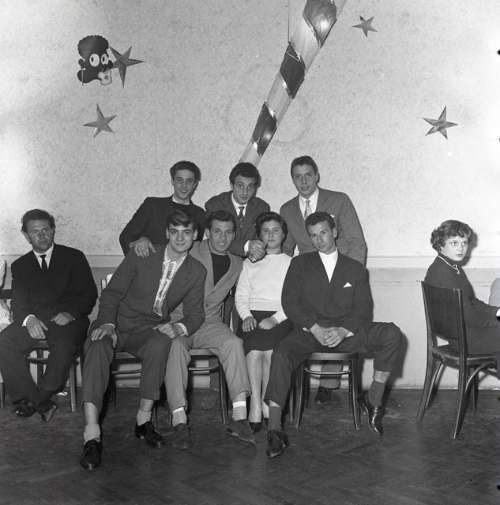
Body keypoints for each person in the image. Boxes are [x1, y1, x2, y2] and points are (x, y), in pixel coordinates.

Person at [264, 212, 403, 458]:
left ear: (335, 232)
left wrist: (342, 330)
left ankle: (373, 400)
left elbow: (363, 309)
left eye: (324, 233)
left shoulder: (355, 268)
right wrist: (315, 328)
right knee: (282, 352)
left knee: (392, 333)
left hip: (346, 334)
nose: (319, 239)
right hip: (310, 333)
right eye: (313, 235)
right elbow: (290, 303)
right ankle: (274, 429)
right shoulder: (299, 264)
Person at [79, 210, 206, 471]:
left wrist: (178, 327)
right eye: (174, 231)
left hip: (147, 329)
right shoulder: (143, 253)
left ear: (195, 235)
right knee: (97, 347)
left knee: (161, 343)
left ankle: (143, 421)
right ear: (166, 232)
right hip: (115, 322)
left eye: (186, 232)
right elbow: (112, 294)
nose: (180, 238)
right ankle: (91, 435)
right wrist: (107, 324)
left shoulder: (196, 270)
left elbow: (195, 314)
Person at [280, 155, 368, 404]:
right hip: (309, 284)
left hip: (340, 278)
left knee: (341, 325)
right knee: (304, 329)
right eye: (298, 176)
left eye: (308, 175)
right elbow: (286, 248)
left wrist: (350, 280)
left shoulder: (339, 200)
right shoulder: (287, 209)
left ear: (317, 175)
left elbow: (357, 242)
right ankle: (293, 390)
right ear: (292, 179)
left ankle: (328, 384)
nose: (303, 181)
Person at [165, 210, 254, 448]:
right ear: (207, 233)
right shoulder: (190, 248)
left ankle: (239, 417)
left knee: (234, 343)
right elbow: (164, 253)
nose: (222, 238)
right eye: (217, 231)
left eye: (228, 233)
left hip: (210, 323)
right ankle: (179, 420)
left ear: (233, 235)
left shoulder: (237, 263)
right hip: (179, 321)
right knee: (175, 348)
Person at [0, 209, 97, 421]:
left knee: (64, 344)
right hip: (37, 321)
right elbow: (19, 303)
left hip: (69, 322)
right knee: (4, 341)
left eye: (45, 230)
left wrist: (70, 313)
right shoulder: (20, 265)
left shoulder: (74, 257)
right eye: (35, 232)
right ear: (26, 235)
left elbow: (89, 294)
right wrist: (29, 319)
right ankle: (38, 402)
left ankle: (38, 399)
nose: (42, 235)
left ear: (53, 230)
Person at [235, 212, 292, 432]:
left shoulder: (291, 263)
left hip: (280, 317)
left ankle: (268, 405)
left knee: (269, 352)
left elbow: (293, 300)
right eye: (265, 231)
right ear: (259, 235)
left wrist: (275, 319)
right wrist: (246, 316)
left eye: (276, 230)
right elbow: (241, 295)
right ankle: (255, 405)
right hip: (252, 316)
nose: (271, 235)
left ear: (284, 234)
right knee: (254, 351)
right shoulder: (249, 263)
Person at [424, 220, 500, 373]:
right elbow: (470, 317)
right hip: (466, 340)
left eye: (464, 243)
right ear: (441, 244)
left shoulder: (450, 267)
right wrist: (496, 321)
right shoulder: (443, 273)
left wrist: (497, 312)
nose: (461, 248)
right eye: (454, 243)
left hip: (463, 336)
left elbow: (472, 302)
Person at [119, 160, 206, 257]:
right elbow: (125, 237)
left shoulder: (199, 214)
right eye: (179, 180)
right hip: (147, 263)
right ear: (172, 181)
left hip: (181, 265)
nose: (184, 185)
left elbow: (194, 249)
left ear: (195, 184)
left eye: (189, 181)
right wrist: (141, 240)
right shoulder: (152, 205)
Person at [205, 162, 270, 258]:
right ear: (232, 185)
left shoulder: (262, 207)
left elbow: (262, 238)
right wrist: (246, 246)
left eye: (250, 187)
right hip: (220, 257)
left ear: (255, 187)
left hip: (251, 261)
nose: (245, 192)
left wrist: (259, 249)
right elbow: (216, 240)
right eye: (240, 186)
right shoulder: (215, 205)